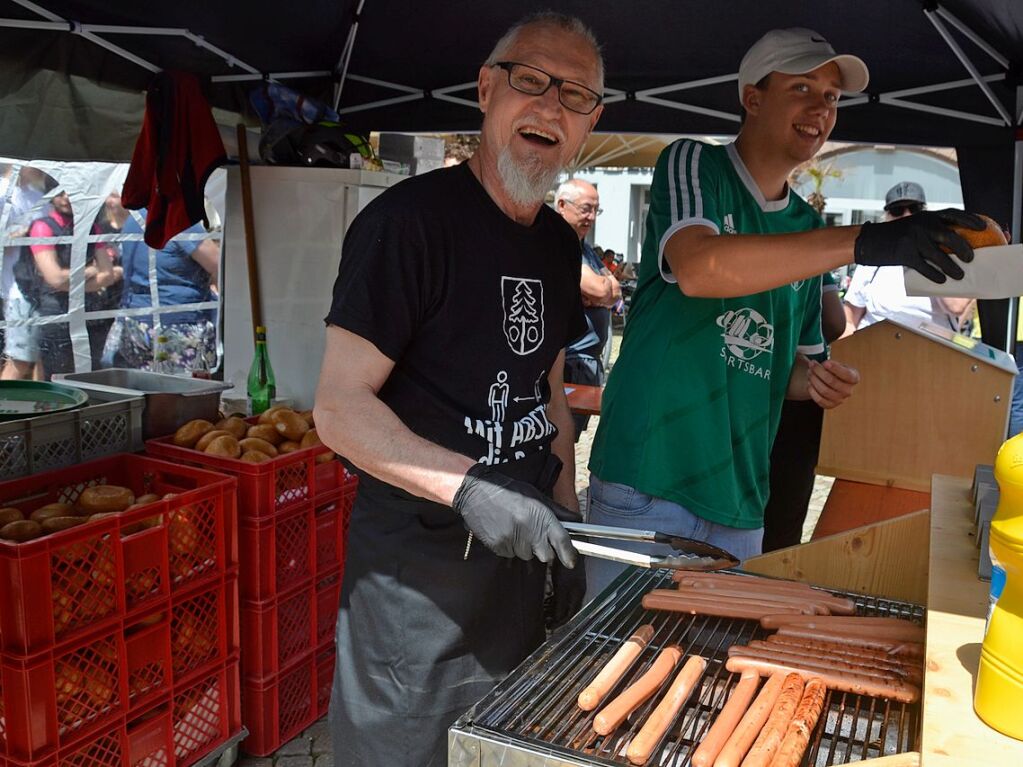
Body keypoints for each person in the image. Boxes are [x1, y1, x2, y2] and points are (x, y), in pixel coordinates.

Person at [584, 27, 985, 601]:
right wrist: (869, 241)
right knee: (612, 660)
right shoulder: (695, 166)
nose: (820, 108)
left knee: (709, 671)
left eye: (831, 97)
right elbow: (699, 267)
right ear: (752, 97)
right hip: (649, 477)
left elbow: (789, 368)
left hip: (742, 497)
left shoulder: (808, 228)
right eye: (802, 87)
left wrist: (818, 381)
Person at [313, 12, 604, 766]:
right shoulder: (406, 226)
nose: (550, 106)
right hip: (416, 600)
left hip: (518, 578)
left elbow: (547, 390)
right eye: (531, 80)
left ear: (590, 124)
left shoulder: (554, 242)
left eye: (575, 95)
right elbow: (339, 409)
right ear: (485, 89)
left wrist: (566, 510)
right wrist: (468, 485)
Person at [762, 270, 846, 551]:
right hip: (799, 404)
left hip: (756, 394)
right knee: (782, 529)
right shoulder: (811, 245)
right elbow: (835, 321)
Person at [843, 181, 975, 334]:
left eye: (914, 209)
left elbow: (956, 306)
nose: (907, 215)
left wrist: (933, 257)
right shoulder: (872, 260)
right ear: (887, 216)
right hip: (873, 349)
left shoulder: (946, 254)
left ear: (925, 213)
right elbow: (850, 317)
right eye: (897, 210)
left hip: (930, 351)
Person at [102, 208, 219, 375]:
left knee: (144, 391)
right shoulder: (179, 220)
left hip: (135, 321)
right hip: (177, 322)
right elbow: (219, 263)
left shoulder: (134, 219)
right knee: (185, 393)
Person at [17, 191, 121, 378]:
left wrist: (70, 283)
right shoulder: (42, 227)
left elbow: (107, 274)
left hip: (90, 313)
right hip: (56, 313)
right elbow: (55, 278)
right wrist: (90, 271)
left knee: (92, 373)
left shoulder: (92, 228)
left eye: (69, 193)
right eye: (59, 193)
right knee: (58, 376)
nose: (65, 198)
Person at [555, 178, 620, 440]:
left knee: (570, 437)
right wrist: (596, 292)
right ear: (562, 205)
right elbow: (601, 290)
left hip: (585, 365)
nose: (591, 217)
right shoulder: (558, 241)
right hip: (566, 365)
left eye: (596, 210)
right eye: (585, 209)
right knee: (558, 438)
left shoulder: (586, 249)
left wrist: (597, 293)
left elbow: (613, 291)